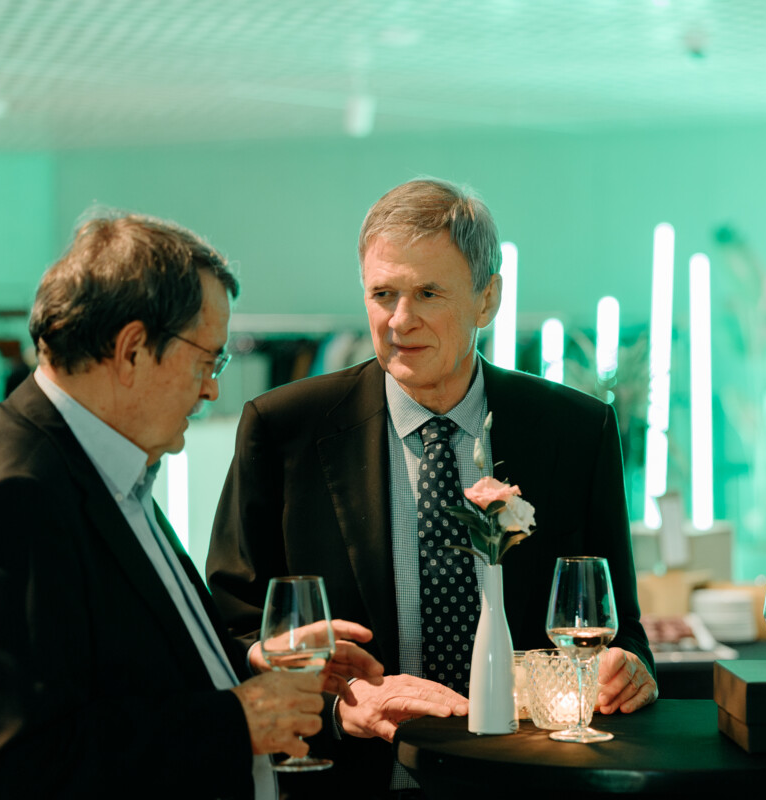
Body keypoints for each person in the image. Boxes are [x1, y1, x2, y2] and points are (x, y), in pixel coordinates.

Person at [207, 178, 657, 794]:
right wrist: (339, 709)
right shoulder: (283, 431)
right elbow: (229, 631)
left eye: (427, 293)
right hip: (355, 780)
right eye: (383, 294)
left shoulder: (577, 432)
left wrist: (629, 669)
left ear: (487, 299)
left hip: (536, 779)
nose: (400, 320)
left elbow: (620, 628)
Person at [0, 213, 383, 799]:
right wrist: (237, 719)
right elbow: (24, 764)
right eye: (207, 361)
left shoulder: (98, 462)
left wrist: (248, 663)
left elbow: (120, 671)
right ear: (132, 350)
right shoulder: (18, 497)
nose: (212, 388)